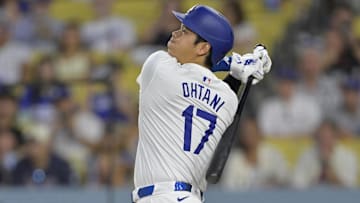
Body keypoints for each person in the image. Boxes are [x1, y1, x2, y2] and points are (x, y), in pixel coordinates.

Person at [132, 5, 271, 203]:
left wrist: (233, 64)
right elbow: (208, 79)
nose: (175, 33)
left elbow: (196, 73)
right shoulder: (228, 100)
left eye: (185, 31)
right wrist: (240, 69)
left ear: (204, 47)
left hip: (162, 197)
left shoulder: (158, 67)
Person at [221, 118, 289, 190]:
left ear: (259, 133)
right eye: (246, 133)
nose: (249, 136)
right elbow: (227, 186)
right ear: (241, 137)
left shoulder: (272, 154)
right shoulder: (234, 159)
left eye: (252, 132)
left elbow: (286, 178)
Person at [292, 120, 358, 189]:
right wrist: (315, 179)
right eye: (321, 136)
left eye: (328, 136)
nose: (324, 140)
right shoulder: (307, 155)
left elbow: (350, 186)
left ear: (335, 137)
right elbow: (296, 183)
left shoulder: (347, 156)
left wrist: (332, 176)